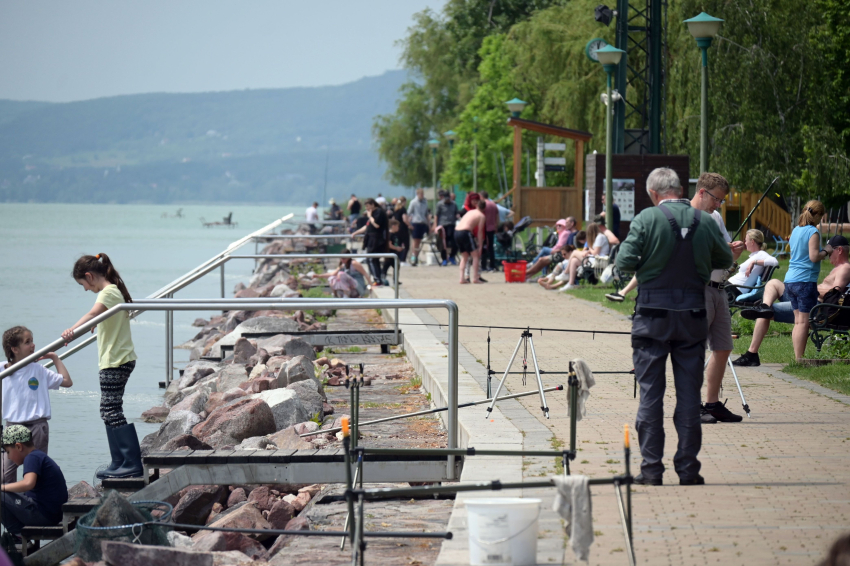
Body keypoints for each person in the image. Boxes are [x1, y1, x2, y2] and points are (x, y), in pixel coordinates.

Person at [616, 167, 732, 486]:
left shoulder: (646, 219)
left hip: (652, 316)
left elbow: (623, 263)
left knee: (651, 395)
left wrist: (650, 262)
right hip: (693, 316)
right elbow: (724, 259)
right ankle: (688, 469)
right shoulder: (706, 222)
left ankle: (651, 470)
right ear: (681, 189)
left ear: (654, 194)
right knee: (689, 396)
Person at [61, 253, 142, 479]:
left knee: (112, 410)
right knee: (107, 411)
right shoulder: (113, 292)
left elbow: (92, 312)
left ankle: (131, 463)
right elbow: (100, 316)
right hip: (115, 359)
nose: (85, 289)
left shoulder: (109, 292)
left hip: (117, 360)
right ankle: (118, 461)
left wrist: (71, 331)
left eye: (83, 284)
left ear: (89, 276)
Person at [733, 233, 850, 367]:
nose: (828, 254)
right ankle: (764, 306)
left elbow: (834, 293)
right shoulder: (838, 269)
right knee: (774, 283)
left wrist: (811, 289)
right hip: (807, 298)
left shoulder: (845, 268)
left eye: (830, 251)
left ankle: (752, 354)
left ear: (839, 250)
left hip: (814, 306)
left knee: (765, 312)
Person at [687, 173, 747, 423]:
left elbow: (725, 258)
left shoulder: (715, 218)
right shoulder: (686, 219)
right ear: (702, 192)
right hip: (698, 290)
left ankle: (711, 404)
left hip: (720, 289)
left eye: (721, 201)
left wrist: (733, 253)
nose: (719, 205)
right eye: (717, 199)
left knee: (723, 347)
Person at [1, 327, 73, 484]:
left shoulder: (39, 370)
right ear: (14, 349)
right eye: (27, 342)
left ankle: (35, 505)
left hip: (37, 426)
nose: (33, 345)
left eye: (32, 341)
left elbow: (67, 382)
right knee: (5, 474)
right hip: (13, 427)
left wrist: (54, 357)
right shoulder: (3, 370)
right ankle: (11, 506)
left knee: (36, 473)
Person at [0, 425, 68, 537]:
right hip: (51, 514)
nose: (9, 457)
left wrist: (2, 487)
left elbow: (28, 483)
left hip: (43, 515)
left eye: (8, 452)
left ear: (18, 447)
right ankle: (18, 533)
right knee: (8, 490)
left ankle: (17, 535)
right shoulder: (37, 455)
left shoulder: (32, 458)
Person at [558, 222, 613, 291]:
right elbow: (596, 251)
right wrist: (588, 251)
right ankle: (570, 283)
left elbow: (596, 253)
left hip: (599, 260)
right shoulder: (599, 237)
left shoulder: (600, 237)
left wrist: (589, 248)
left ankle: (566, 273)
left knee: (574, 252)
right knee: (573, 260)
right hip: (596, 259)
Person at [725, 229, 780, 295]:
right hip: (730, 286)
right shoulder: (755, 254)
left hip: (734, 289)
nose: (745, 243)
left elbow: (775, 262)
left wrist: (754, 262)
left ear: (752, 242)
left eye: (746, 240)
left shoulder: (761, 254)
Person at [351, 198, 389, 285]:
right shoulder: (372, 214)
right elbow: (367, 226)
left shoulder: (378, 212)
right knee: (373, 259)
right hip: (371, 239)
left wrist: (370, 216)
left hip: (376, 239)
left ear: (372, 204)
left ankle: (377, 279)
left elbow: (376, 225)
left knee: (371, 259)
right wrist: (355, 233)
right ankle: (377, 278)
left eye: (368, 206)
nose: (367, 209)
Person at [455, 200, 487, 284]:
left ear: (477, 206)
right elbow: (480, 232)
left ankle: (462, 278)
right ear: (484, 208)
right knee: (475, 255)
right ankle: (475, 278)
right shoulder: (481, 216)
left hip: (457, 232)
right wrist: (480, 245)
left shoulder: (470, 212)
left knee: (464, 256)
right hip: (465, 232)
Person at [435, 191, 460, 266]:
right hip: (442, 226)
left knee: (455, 243)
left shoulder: (454, 204)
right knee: (443, 244)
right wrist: (436, 226)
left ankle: (452, 256)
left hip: (452, 225)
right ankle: (444, 259)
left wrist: (458, 216)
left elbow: (456, 213)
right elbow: (436, 215)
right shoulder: (440, 204)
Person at [408, 188, 430, 266]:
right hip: (416, 222)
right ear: (417, 194)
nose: (422, 196)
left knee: (420, 241)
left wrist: (429, 224)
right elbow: (409, 213)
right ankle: (413, 256)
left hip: (423, 222)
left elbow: (427, 213)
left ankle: (417, 256)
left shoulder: (425, 202)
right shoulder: (413, 202)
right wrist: (409, 224)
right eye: (420, 194)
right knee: (415, 241)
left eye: (422, 194)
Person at [481, 192, 500, 272]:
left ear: (481, 196)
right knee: (491, 248)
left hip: (484, 228)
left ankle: (483, 265)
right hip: (492, 228)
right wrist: (496, 227)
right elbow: (497, 217)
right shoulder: (493, 205)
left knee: (484, 247)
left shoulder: (483, 205)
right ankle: (492, 265)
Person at [391, 196, 411, 265]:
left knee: (398, 244)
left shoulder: (395, 209)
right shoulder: (403, 209)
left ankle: (398, 258)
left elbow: (393, 219)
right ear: (404, 202)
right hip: (403, 228)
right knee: (406, 245)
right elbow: (404, 219)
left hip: (397, 228)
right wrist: (410, 225)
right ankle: (403, 260)